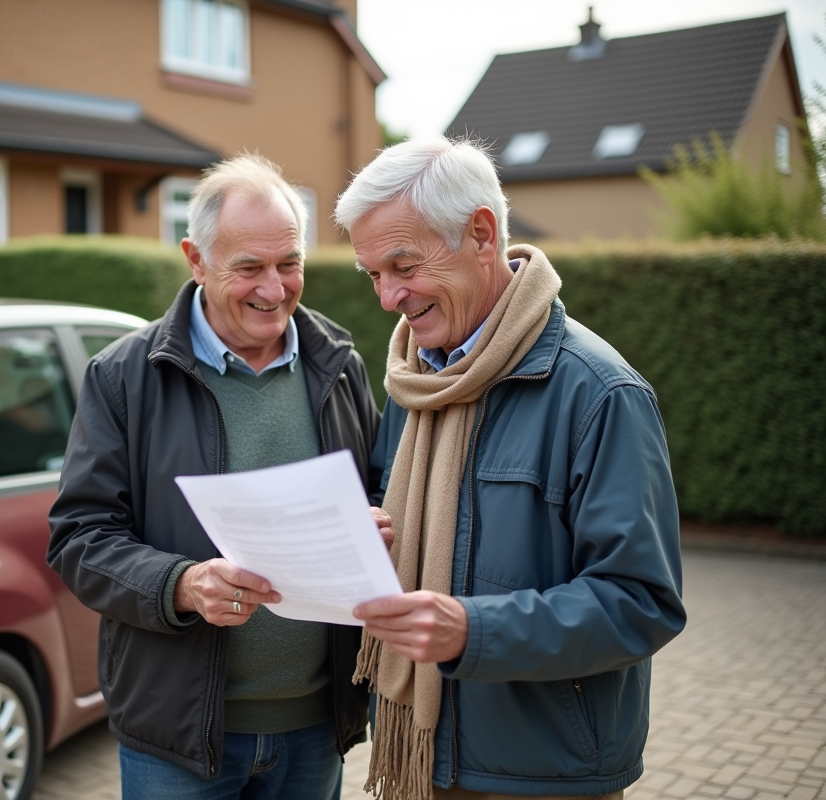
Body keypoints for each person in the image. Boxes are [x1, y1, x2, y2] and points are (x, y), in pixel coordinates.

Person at [334, 137, 687, 800]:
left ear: (482, 233)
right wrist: (372, 531)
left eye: (402, 264)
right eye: (372, 273)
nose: (387, 297)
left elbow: (643, 604)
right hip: (418, 760)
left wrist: (475, 630)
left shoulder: (600, 393)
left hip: (544, 774)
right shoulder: (412, 381)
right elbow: (394, 498)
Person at [48, 154, 383, 800]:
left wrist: (375, 522)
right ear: (195, 260)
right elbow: (78, 540)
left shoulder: (337, 362)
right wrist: (182, 584)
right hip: (178, 737)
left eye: (289, 264)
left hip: (315, 727)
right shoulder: (123, 378)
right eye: (249, 268)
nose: (275, 287)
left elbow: (371, 487)